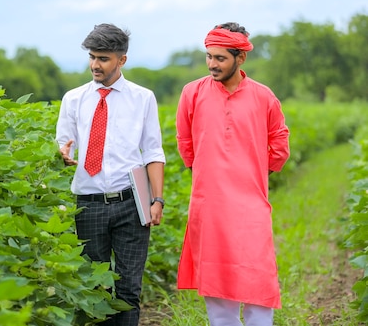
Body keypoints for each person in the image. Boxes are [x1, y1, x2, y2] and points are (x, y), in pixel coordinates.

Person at [175, 22, 291, 326]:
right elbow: (185, 143)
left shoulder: (264, 97)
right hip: (208, 203)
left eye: (220, 58)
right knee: (216, 280)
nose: (212, 64)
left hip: (251, 201)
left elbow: (280, 143)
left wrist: (253, 170)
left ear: (241, 59)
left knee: (258, 276)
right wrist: (206, 172)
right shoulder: (192, 93)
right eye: (209, 57)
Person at [56, 23, 166, 326]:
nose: (95, 65)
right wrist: (64, 156)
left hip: (132, 201)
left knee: (129, 287)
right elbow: (64, 145)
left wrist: (157, 200)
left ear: (122, 60)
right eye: (92, 57)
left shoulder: (143, 98)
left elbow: (153, 152)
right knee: (96, 288)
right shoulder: (74, 99)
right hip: (88, 202)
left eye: (103, 58)